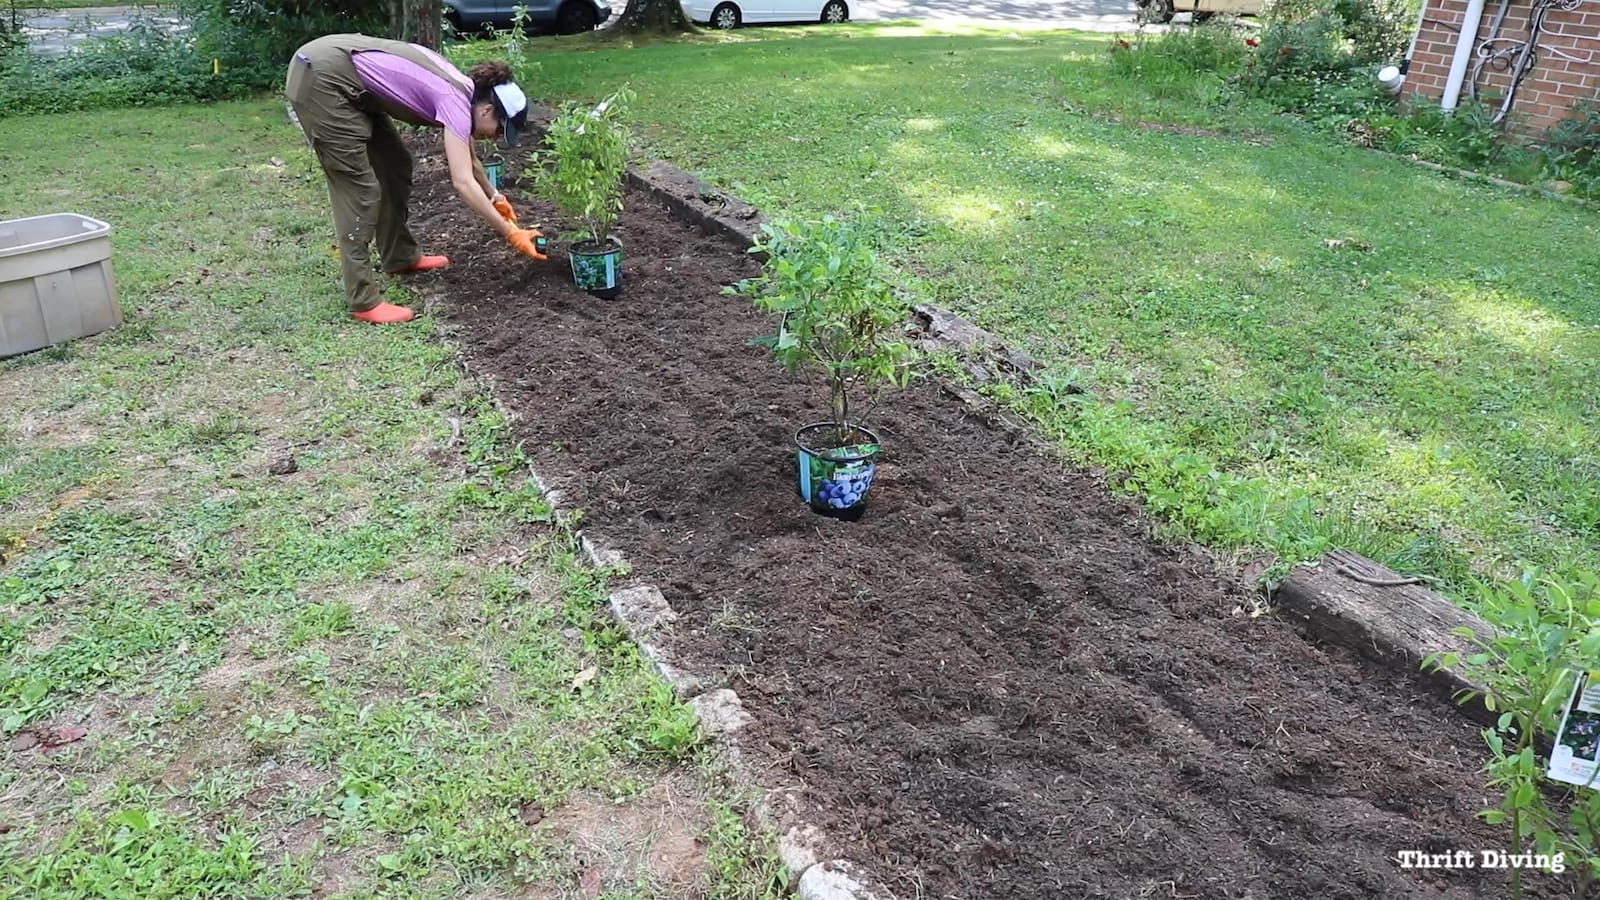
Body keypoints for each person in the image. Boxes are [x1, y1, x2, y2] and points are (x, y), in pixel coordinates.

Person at [285, 34, 547, 324]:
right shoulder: (455, 100)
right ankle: (363, 300)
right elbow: (462, 182)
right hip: (323, 81)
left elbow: (470, 160)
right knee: (359, 190)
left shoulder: (464, 92)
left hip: (348, 82)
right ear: (487, 110)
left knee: (395, 165)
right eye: (499, 129)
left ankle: (399, 256)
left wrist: (495, 196)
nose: (495, 137)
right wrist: (510, 233)